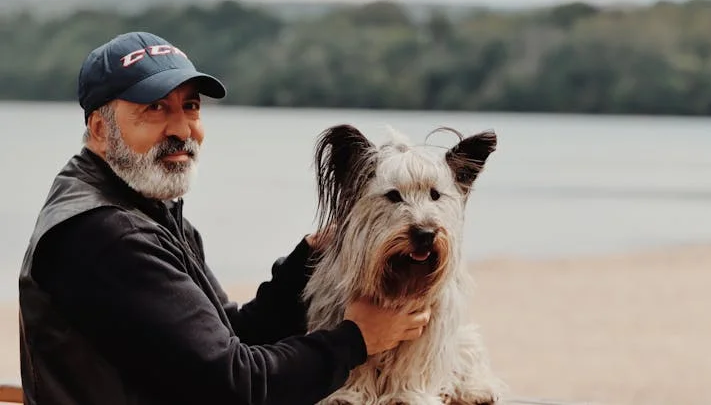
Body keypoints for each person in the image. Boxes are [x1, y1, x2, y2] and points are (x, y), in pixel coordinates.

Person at [18, 31, 431, 405]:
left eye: (191, 106)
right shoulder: (106, 233)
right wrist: (355, 341)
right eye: (156, 108)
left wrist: (309, 259)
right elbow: (234, 384)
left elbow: (228, 336)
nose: (181, 128)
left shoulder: (146, 207)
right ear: (100, 129)